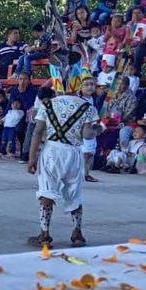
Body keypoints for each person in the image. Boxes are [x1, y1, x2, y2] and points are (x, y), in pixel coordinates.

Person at [26, 86, 97, 247]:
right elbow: (87, 134)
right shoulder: (87, 106)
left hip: (51, 152)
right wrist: (99, 128)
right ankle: (77, 232)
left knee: (47, 191)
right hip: (73, 153)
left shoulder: (48, 104)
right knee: (74, 192)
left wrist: (32, 157)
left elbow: (38, 132)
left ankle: (44, 234)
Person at [76, 78, 102, 182]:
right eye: (86, 85)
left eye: (92, 84)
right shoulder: (79, 100)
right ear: (81, 88)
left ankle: (86, 173)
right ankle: (83, 174)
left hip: (92, 127)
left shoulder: (94, 99)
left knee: (90, 153)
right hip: (83, 128)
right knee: (85, 153)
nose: (89, 87)